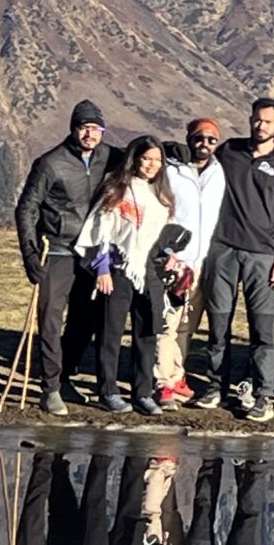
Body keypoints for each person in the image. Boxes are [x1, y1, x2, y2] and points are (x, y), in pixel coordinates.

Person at [13, 98, 122, 415]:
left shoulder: (111, 157)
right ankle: (49, 389)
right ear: (74, 128)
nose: (90, 133)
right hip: (56, 250)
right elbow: (27, 208)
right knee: (49, 319)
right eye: (84, 127)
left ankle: (65, 377)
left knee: (83, 322)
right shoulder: (51, 163)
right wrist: (30, 253)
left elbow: (143, 160)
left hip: (92, 253)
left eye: (96, 128)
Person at [201, 98, 274, 421]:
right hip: (223, 249)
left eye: (268, 122)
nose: (261, 126)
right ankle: (216, 386)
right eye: (257, 120)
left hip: (263, 255)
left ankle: (263, 396)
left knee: (263, 330)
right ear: (250, 120)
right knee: (218, 324)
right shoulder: (230, 152)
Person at [73, 135, 177, 415]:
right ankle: (107, 390)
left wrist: (171, 253)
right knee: (110, 331)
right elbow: (100, 229)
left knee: (146, 333)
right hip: (119, 269)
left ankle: (142, 393)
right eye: (147, 159)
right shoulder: (117, 188)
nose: (152, 165)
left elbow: (162, 233)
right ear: (136, 159)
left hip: (149, 272)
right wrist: (102, 268)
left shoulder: (162, 195)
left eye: (157, 160)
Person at [155, 117, 224, 408]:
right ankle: (161, 382)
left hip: (202, 260)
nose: (204, 143)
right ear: (189, 138)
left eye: (211, 139)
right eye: (199, 137)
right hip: (174, 259)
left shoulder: (220, 172)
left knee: (186, 324)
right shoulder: (171, 169)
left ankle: (177, 375)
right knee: (166, 324)